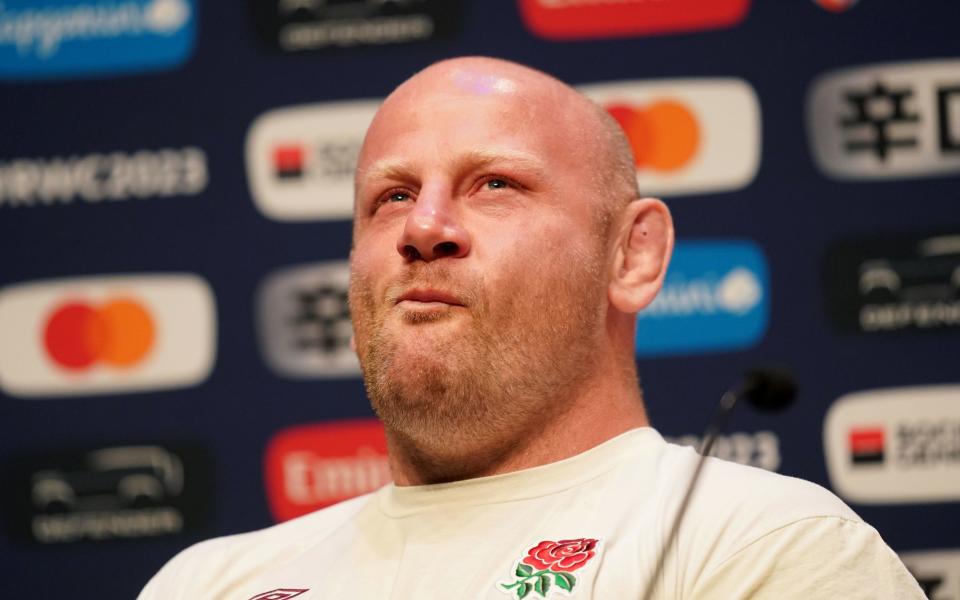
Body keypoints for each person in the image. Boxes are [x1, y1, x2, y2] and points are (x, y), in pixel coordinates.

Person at [139, 57, 923, 599]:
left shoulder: (763, 547)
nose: (427, 227)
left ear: (633, 255)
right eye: (392, 197)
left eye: (495, 185)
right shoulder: (208, 583)